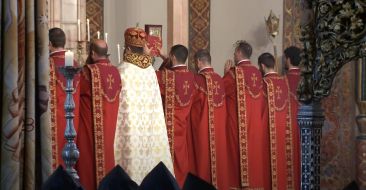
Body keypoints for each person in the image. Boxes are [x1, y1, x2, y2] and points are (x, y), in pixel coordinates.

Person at [114, 27, 173, 185]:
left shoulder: (121, 71)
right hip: (150, 128)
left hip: (130, 130)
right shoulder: (150, 71)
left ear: (127, 48)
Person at [223, 41, 270, 189]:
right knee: (254, 157)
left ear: (238, 53)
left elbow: (221, 92)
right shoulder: (258, 72)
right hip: (255, 124)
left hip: (238, 125)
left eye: (235, 52)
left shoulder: (233, 73)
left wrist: (225, 74)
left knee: (236, 158)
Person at [76, 40, 122, 190]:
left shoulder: (87, 71)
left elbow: (74, 91)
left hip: (90, 128)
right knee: (106, 164)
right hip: (109, 130)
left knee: (87, 165)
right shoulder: (116, 72)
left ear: (93, 53)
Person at [156, 44, 197, 187]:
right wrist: (167, 58)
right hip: (183, 127)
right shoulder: (193, 77)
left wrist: (162, 58)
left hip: (168, 129)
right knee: (182, 160)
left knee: (168, 162)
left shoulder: (168, 77)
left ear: (172, 57)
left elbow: (152, 78)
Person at [189, 49, 228, 189]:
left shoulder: (197, 79)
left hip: (202, 129)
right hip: (219, 131)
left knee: (203, 163)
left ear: (199, 61)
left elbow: (190, 104)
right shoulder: (220, 79)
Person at [259, 52, 295, 189]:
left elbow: (259, 109)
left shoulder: (264, 83)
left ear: (262, 66)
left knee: (268, 167)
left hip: (267, 131)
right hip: (285, 131)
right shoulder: (284, 82)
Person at [48, 27, 80, 170]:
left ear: (49, 43)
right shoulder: (76, 64)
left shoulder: (48, 64)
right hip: (74, 120)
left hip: (53, 121)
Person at [284, 46, 302, 190]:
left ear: (288, 59)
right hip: (307, 129)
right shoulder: (307, 80)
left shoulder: (283, 81)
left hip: (288, 129)